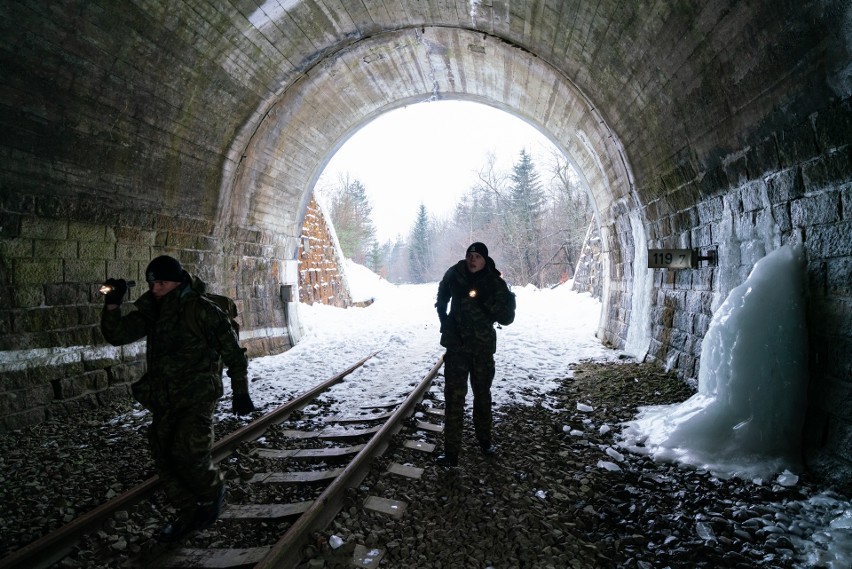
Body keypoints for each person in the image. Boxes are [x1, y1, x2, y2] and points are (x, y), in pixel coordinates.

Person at [100, 255, 256, 542]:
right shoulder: (153, 311)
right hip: (164, 397)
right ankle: (189, 511)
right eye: (152, 283)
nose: (156, 288)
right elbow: (118, 335)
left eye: (161, 283)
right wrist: (113, 304)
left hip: (198, 395)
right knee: (163, 454)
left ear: (177, 281)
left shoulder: (202, 310)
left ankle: (212, 493)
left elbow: (233, 352)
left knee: (189, 452)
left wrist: (241, 391)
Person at [434, 242, 515, 467]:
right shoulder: (455, 274)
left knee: (482, 396)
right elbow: (441, 297)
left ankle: (485, 441)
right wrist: (444, 320)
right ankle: (451, 453)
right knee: (454, 399)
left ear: (484, 260)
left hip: (481, 349)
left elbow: (507, 318)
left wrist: (486, 299)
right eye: (470, 255)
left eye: (477, 256)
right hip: (457, 348)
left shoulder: (494, 281)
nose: (472, 260)